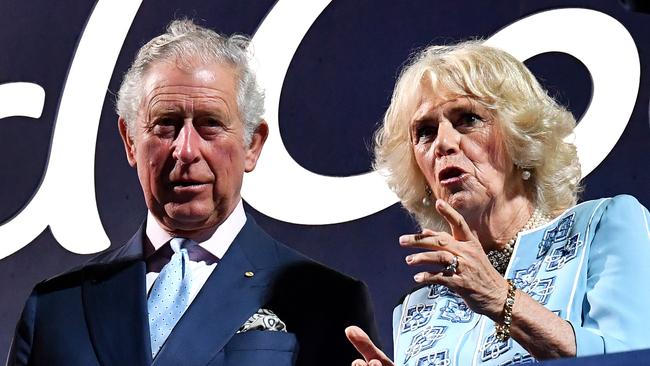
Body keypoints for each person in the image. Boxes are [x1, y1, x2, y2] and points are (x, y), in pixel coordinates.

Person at [7, 19, 378, 366]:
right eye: (165, 124)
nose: (186, 149)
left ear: (253, 144)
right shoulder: (56, 308)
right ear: (130, 141)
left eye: (210, 124)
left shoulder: (327, 300)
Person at [345, 41, 650, 366]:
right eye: (425, 132)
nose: (443, 144)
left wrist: (498, 296)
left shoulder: (603, 227)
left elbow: (631, 359)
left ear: (521, 137)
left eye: (467, 119)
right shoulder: (417, 309)